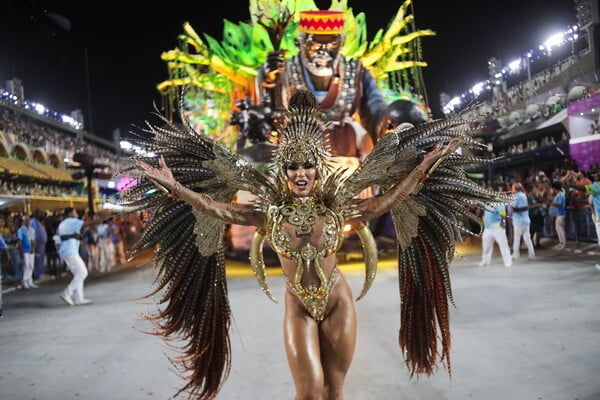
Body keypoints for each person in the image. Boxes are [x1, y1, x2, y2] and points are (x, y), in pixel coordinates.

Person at [125, 89, 504, 399]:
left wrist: (422, 169)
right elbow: (215, 207)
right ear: (284, 170)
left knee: (334, 391)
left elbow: (388, 201)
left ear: (317, 167)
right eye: (293, 166)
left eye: (308, 165)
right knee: (308, 393)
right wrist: (175, 187)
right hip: (298, 306)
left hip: (338, 301)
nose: (301, 173)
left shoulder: (338, 205)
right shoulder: (268, 211)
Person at [256, 10, 389, 162]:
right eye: (315, 45)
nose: (323, 52)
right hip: (298, 159)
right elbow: (267, 113)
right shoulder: (282, 70)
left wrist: (388, 120)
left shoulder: (355, 70)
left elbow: (375, 107)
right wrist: (268, 80)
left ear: (342, 42)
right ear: (299, 43)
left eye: (331, 45)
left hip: (346, 154)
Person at [57, 207, 92, 306]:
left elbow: (69, 235)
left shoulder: (63, 223)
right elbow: (86, 224)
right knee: (83, 272)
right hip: (70, 251)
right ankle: (67, 293)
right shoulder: (72, 221)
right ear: (70, 214)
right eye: (75, 212)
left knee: (78, 274)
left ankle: (79, 298)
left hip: (67, 251)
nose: (76, 213)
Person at [478, 198, 513, 268]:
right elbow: (485, 213)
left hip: (497, 227)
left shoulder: (498, 201)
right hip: (488, 228)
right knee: (486, 246)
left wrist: (503, 222)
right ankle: (485, 261)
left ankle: (508, 262)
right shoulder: (487, 200)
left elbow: (502, 213)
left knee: (503, 246)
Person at [510, 182, 536, 260]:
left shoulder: (515, 197)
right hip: (526, 220)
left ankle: (516, 254)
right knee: (527, 238)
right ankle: (532, 254)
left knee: (517, 238)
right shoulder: (524, 195)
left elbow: (514, 208)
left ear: (515, 188)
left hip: (518, 221)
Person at [17, 214, 37, 289]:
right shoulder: (21, 230)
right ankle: (25, 281)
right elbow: (20, 241)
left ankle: (30, 281)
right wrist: (21, 251)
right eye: (26, 220)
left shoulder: (32, 230)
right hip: (25, 250)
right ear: (23, 221)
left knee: (31, 266)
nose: (27, 221)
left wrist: (34, 245)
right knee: (26, 266)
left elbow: (33, 240)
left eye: (28, 220)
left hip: (31, 249)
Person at [549, 181, 567, 249]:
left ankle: (562, 243)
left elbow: (559, 205)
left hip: (561, 213)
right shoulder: (559, 194)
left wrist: (550, 203)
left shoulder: (560, 195)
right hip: (559, 213)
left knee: (559, 228)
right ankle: (561, 242)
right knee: (558, 228)